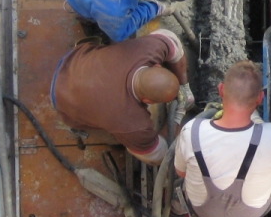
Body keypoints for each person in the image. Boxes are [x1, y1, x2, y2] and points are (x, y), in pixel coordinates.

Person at [175, 60, 271, 217]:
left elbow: (181, 172)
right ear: (260, 98)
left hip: (202, 211)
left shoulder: (191, 131)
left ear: (221, 90)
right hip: (250, 215)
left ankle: (177, 206)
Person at [51, 29, 187, 166]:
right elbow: (158, 155)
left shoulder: (147, 49)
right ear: (148, 101)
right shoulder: (131, 124)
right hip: (62, 100)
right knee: (117, 138)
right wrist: (176, 118)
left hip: (73, 60)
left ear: (156, 66)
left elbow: (172, 41)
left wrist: (184, 84)